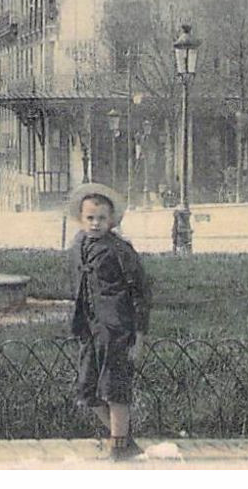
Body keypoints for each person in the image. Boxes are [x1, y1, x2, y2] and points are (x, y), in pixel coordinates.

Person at [65, 181, 150, 461]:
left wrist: (139, 336)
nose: (95, 223)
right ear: (80, 218)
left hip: (116, 328)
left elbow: (140, 292)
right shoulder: (78, 245)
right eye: (89, 218)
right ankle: (125, 441)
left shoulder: (120, 250)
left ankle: (118, 446)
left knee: (115, 388)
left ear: (112, 220)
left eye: (102, 218)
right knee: (87, 391)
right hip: (89, 327)